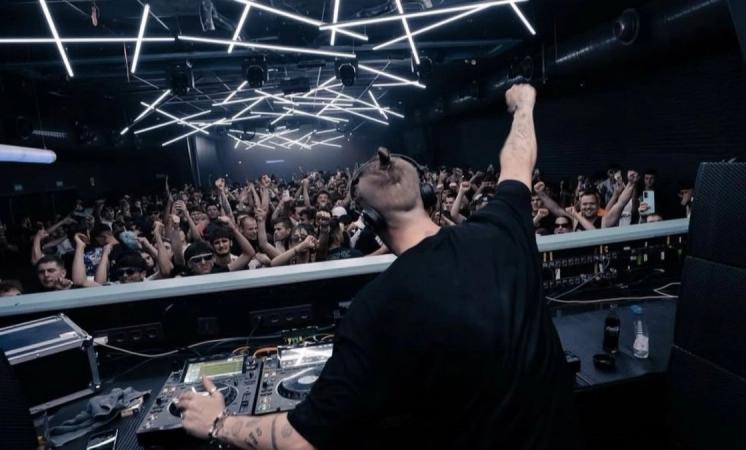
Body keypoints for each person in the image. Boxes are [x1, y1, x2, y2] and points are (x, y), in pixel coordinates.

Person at [177, 84, 578, 450]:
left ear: (369, 221)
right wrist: (524, 105)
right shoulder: (502, 229)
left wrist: (219, 424)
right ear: (426, 195)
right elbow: (518, 160)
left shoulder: (376, 307)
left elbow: (300, 439)